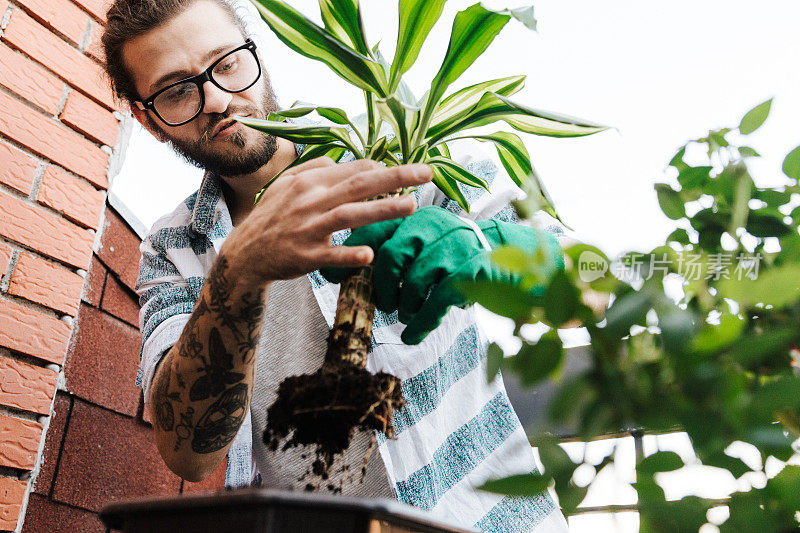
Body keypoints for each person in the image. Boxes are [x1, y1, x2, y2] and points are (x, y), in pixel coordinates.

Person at [101, 0, 569, 530]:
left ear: (253, 49)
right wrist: (239, 269)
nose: (217, 99)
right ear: (147, 119)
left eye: (226, 62)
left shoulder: (395, 154)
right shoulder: (172, 247)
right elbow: (188, 452)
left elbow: (590, 277)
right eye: (178, 90)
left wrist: (488, 247)